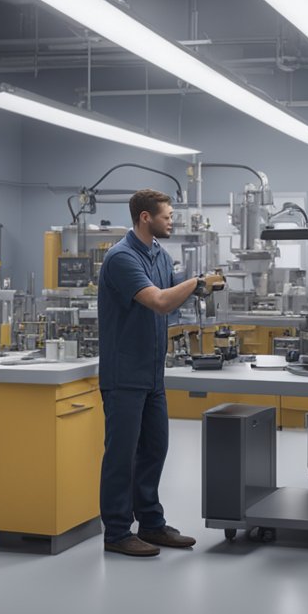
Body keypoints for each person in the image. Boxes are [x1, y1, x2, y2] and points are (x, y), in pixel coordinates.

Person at [98, 188, 224, 557]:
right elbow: (158, 301)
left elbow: (173, 294)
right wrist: (196, 282)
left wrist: (196, 290)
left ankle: (151, 524)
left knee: (155, 449)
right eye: (167, 217)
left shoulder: (159, 255)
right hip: (124, 375)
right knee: (121, 455)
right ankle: (117, 532)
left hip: (152, 373)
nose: (171, 222)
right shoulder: (121, 258)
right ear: (145, 218)